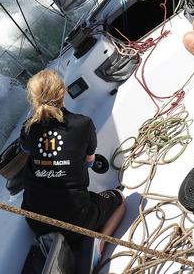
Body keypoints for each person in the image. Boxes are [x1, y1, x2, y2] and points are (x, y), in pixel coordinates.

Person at [19, 70, 125, 243]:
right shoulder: (83, 124)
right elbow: (89, 162)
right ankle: (100, 242)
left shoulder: (28, 129)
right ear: (64, 91)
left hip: (36, 221)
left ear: (33, 99)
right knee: (119, 199)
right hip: (78, 221)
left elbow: (26, 148)